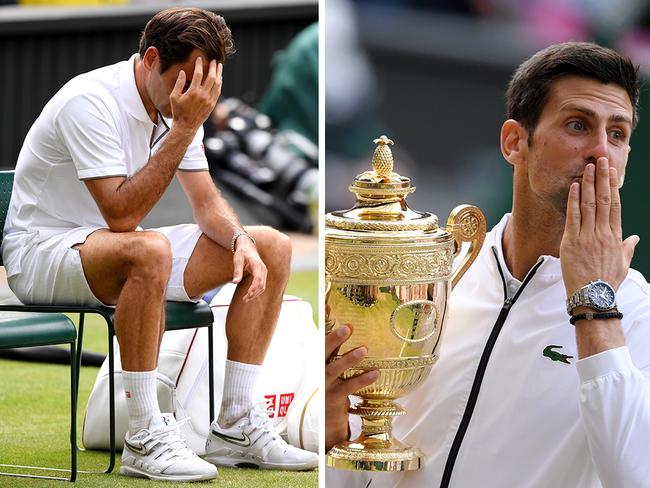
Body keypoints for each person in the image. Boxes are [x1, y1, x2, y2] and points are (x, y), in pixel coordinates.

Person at [2, 7, 317, 482]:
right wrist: (188, 127)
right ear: (151, 59)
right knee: (149, 249)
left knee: (269, 245)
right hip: (39, 254)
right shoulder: (89, 101)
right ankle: (144, 435)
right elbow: (122, 215)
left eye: (207, 84)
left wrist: (240, 241)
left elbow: (206, 202)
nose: (196, 96)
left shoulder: (178, 103)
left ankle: (235, 424)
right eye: (187, 82)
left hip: (111, 249)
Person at [326, 42, 650, 488]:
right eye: (578, 125)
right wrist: (332, 429)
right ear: (515, 142)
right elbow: (367, 456)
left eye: (617, 134)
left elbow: (634, 476)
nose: (600, 151)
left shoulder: (638, 313)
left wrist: (595, 307)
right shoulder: (432, 276)